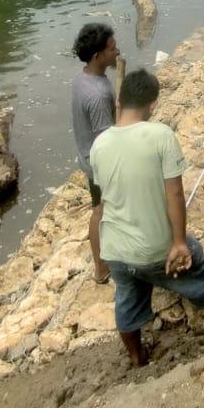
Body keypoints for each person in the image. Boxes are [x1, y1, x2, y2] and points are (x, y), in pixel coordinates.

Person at [89, 70, 204, 366]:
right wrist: (179, 242)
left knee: (128, 299)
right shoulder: (161, 136)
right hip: (156, 250)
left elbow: (103, 203)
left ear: (120, 100)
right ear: (153, 104)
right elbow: (175, 195)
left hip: (117, 251)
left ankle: (136, 356)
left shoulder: (99, 145)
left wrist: (100, 261)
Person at [70, 22, 119, 283]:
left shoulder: (84, 77)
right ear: (97, 55)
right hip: (98, 162)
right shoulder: (98, 94)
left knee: (103, 208)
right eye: (112, 49)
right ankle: (101, 267)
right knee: (101, 210)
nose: (117, 51)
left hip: (86, 155)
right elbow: (107, 140)